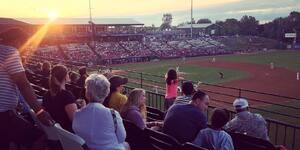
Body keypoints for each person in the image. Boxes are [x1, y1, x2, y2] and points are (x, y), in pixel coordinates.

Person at [0, 28, 54, 150]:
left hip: (6, 112)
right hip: (3, 114)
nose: (25, 47)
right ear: (16, 41)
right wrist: (39, 112)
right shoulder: (9, 51)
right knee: (38, 137)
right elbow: (23, 84)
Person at [73, 74, 127, 150]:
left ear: (87, 93)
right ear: (107, 92)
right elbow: (121, 138)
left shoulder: (77, 114)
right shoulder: (113, 114)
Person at [43, 65, 78, 132]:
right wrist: (83, 107)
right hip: (67, 134)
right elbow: (75, 121)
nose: (68, 75)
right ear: (65, 77)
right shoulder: (67, 95)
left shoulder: (47, 94)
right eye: (67, 73)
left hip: (56, 132)